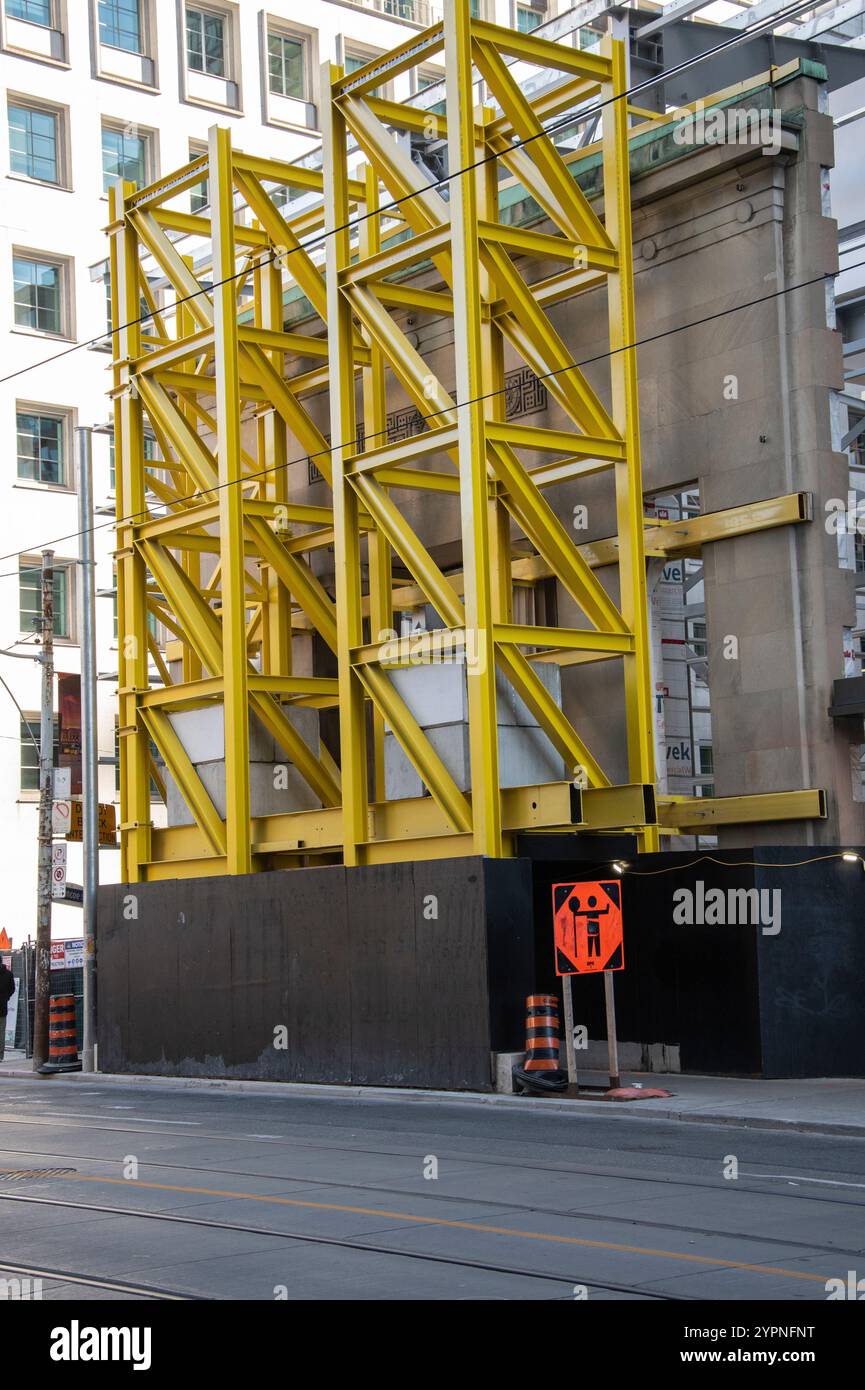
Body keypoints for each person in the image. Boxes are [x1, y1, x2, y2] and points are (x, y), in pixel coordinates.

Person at [0, 961, 16, 1061]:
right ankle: (0, 1056)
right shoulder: (8, 974)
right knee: (1, 1033)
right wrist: (6, 997)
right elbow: (12, 989)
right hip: (2, 1007)